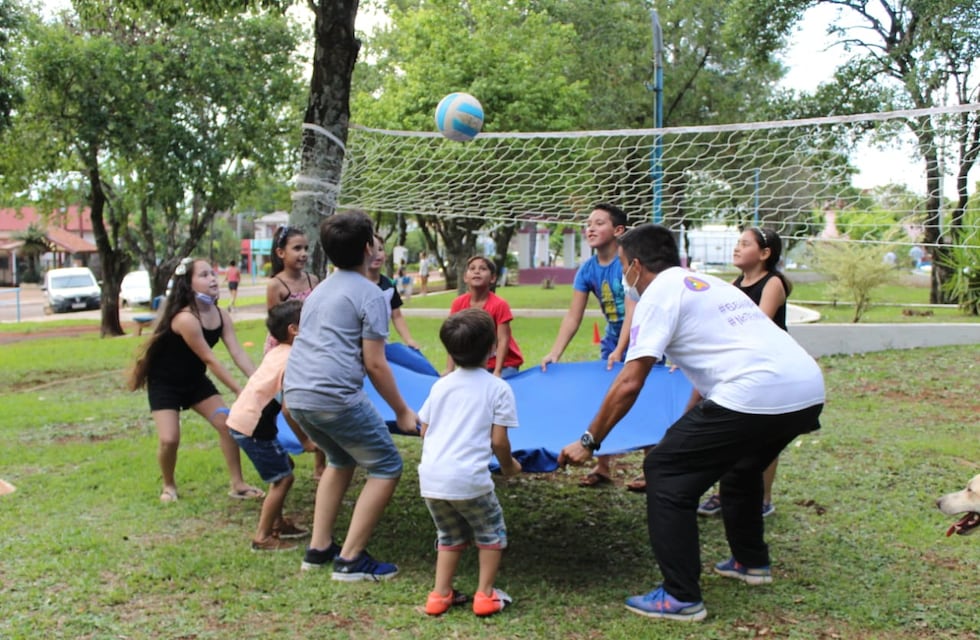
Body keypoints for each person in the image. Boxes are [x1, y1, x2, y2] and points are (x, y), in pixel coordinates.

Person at [558, 224, 824, 622]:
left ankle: (680, 596)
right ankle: (750, 563)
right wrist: (683, 429)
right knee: (742, 466)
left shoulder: (657, 296)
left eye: (622, 267)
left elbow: (630, 380)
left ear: (635, 266)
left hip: (755, 392)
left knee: (664, 468)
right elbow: (709, 373)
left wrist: (589, 440)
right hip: (805, 390)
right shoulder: (708, 284)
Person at [284, 210, 419, 580]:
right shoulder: (371, 295)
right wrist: (403, 412)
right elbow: (375, 364)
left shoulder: (318, 291)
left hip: (296, 394)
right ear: (366, 248)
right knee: (387, 466)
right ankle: (350, 559)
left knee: (340, 459)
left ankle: (318, 548)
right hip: (334, 397)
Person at [128, 257, 264, 503]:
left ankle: (238, 483)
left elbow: (237, 352)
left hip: (194, 381)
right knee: (170, 438)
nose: (212, 278)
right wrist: (239, 390)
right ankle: (168, 485)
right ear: (188, 284)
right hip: (165, 383)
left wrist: (257, 382)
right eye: (203, 275)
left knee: (227, 425)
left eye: (212, 273)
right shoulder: (185, 318)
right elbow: (210, 359)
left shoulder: (221, 315)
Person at [418, 308, 522, 617]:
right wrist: (510, 467)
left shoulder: (441, 385)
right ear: (492, 349)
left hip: (432, 480)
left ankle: (439, 596)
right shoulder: (498, 388)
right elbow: (499, 441)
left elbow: (424, 429)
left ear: (449, 350)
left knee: (448, 536)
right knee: (491, 533)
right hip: (470, 480)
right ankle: (485, 596)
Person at [540, 203, 637, 490]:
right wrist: (555, 352)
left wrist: (622, 348)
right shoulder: (587, 270)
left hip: (642, 337)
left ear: (618, 231)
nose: (590, 228)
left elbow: (634, 309)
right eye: (588, 223)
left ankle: (650, 465)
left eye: (599, 223)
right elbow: (574, 315)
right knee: (605, 398)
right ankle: (603, 465)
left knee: (642, 397)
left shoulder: (629, 263)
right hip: (612, 339)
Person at [698, 227, 792, 519]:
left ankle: (763, 499)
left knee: (764, 436)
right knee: (730, 432)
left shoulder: (773, 283)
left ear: (765, 254)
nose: (737, 248)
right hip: (739, 367)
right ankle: (723, 493)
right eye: (737, 243)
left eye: (745, 244)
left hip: (769, 368)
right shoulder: (736, 283)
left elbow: (757, 325)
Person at [227, 299, 315, 551]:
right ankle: (262, 537)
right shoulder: (292, 360)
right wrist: (306, 441)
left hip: (244, 420)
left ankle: (278, 524)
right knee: (283, 478)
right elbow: (289, 409)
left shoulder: (278, 351)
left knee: (283, 466)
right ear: (294, 330)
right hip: (253, 427)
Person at [263, 224, 324, 478]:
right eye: (296, 248)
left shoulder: (314, 280)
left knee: (318, 403)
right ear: (280, 253)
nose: (302, 254)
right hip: (285, 348)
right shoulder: (275, 285)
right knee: (288, 404)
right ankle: (296, 444)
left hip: (311, 347)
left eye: (306, 248)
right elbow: (276, 322)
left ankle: (321, 463)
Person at [446, 256, 523, 378]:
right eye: (472, 269)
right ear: (465, 277)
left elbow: (503, 339)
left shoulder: (499, 305)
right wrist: (449, 369)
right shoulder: (458, 304)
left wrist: (498, 372)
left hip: (504, 364)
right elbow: (453, 339)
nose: (477, 271)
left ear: (492, 278)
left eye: (483, 269)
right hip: (474, 363)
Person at [368, 234, 421, 350]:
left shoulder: (389, 285)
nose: (376, 254)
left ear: (385, 255)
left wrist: (409, 339)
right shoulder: (355, 285)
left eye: (380, 249)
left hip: (382, 347)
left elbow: (396, 316)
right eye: (371, 250)